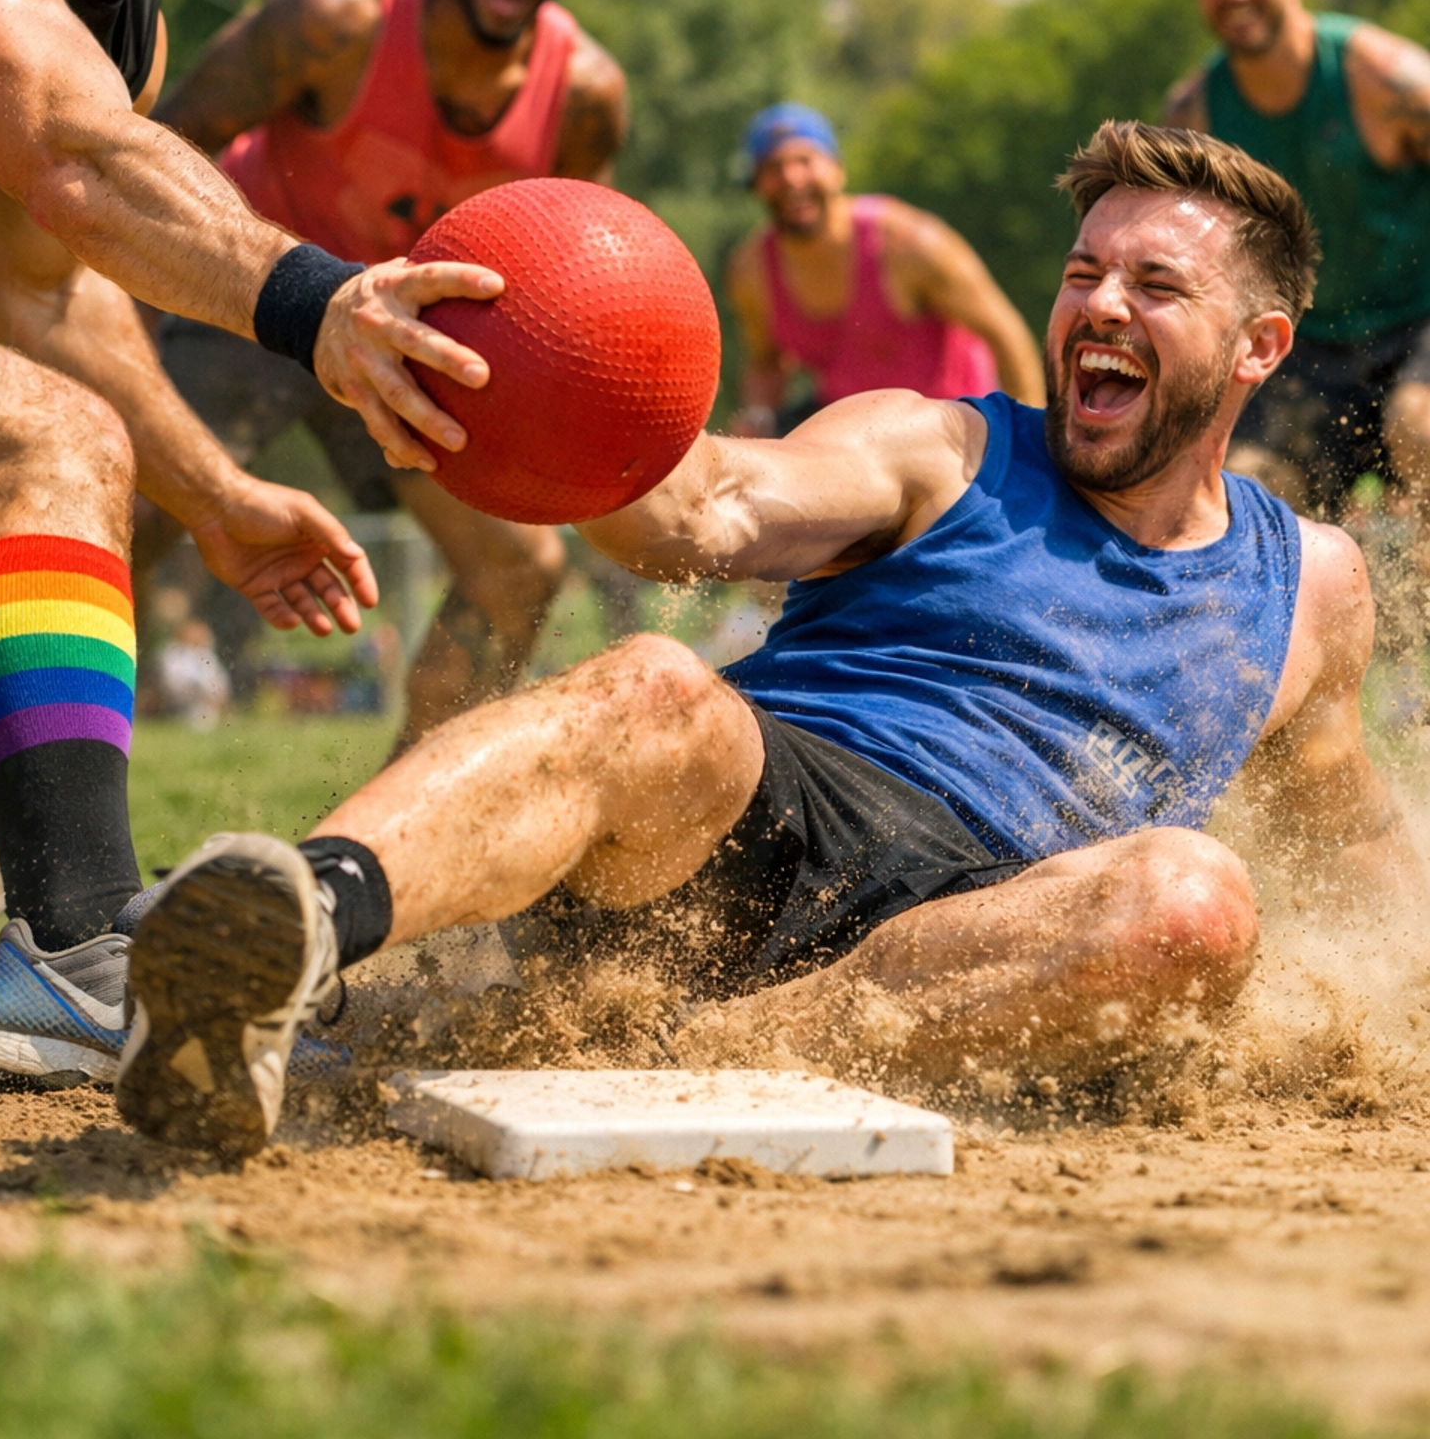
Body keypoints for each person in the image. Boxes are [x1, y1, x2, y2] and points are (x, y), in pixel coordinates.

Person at [114, 121, 1420, 1159]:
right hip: (744, 829)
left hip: (992, 947)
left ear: (1260, 346)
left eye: (1155, 283)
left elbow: (1347, 823)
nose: (1101, 306)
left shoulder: (1311, 584)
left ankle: (672, 1055)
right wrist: (520, 408)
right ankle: (277, 937)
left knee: (1192, 902)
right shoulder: (944, 446)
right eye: (1084, 273)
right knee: (656, 683)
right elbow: (706, 506)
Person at [0, 0, 504, 1083]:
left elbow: (44, 295)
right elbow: (72, 155)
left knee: (45, 441)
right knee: (42, 438)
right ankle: (76, 949)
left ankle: (72, 952)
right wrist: (320, 299)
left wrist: (216, 499)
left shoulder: (121, 16)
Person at [147, 0, 627, 741]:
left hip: (409, 347)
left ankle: (406, 813)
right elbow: (164, 150)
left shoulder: (586, 95)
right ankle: (3, 803)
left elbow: (574, 265)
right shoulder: (335, 15)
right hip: (251, 300)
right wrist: (128, 327)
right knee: (116, 513)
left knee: (520, 570)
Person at [1165, 0, 1430, 518]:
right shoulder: (1195, 119)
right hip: (1302, 348)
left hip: (1420, 321)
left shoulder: (1384, 79)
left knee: (1419, 427)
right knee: (1245, 487)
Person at [726, 103, 1044, 431]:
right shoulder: (752, 272)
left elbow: (1007, 337)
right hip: (850, 439)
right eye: (773, 167)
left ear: (837, 170)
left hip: (953, 430)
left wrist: (1030, 442)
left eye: (805, 161)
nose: (790, 178)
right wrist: (758, 417)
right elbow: (765, 363)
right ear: (755, 184)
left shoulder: (909, 245)